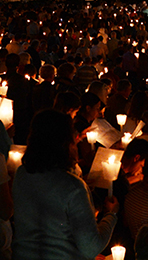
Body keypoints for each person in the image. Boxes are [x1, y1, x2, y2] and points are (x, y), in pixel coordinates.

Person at [12, 109, 119, 260]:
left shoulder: (21, 175)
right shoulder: (73, 187)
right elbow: (91, 248)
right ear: (65, 142)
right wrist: (111, 215)